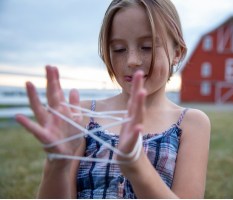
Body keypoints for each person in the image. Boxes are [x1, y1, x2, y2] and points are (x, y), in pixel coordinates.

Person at [15, 0, 211, 198]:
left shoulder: (191, 123)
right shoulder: (82, 117)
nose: (132, 60)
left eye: (147, 46)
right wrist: (57, 164)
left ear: (177, 53)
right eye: (118, 49)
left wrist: (137, 168)